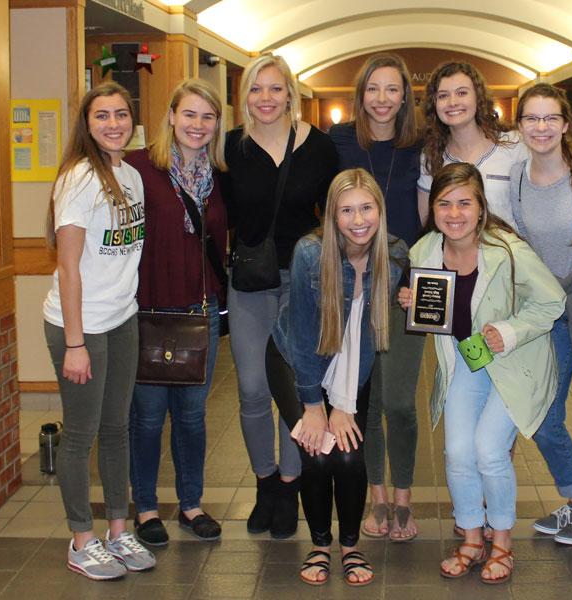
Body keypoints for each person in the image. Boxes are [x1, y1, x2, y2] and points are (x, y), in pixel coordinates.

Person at [400, 162, 565, 584]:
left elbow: (552, 302)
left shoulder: (508, 249)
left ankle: (502, 543)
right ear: (432, 207)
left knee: (489, 449)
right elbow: (438, 312)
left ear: (480, 207)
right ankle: (472, 538)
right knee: (457, 451)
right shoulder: (424, 252)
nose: (454, 213)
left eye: (464, 203)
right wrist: (412, 300)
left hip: (515, 363)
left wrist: (509, 331)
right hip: (465, 359)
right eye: (444, 203)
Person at [266, 168, 409, 586]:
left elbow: (368, 335)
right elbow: (304, 338)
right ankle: (319, 544)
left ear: (380, 211)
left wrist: (345, 406)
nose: (358, 219)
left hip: (351, 361)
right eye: (346, 210)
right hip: (294, 358)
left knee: (349, 455)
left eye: (367, 208)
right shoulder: (311, 253)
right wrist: (314, 407)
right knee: (318, 450)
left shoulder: (394, 254)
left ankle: (350, 546)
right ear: (331, 214)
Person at [221, 52, 338, 539]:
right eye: (255, 89)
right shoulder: (229, 148)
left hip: (302, 283)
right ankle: (265, 483)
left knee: (293, 394)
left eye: (274, 88)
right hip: (249, 283)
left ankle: (290, 486)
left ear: (291, 92)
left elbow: (338, 214)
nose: (265, 98)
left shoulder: (319, 148)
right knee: (251, 390)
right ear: (244, 97)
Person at [42, 81, 155, 580]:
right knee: (81, 434)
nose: (114, 124)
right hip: (80, 325)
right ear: (86, 125)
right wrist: (74, 343)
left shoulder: (131, 176)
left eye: (121, 115)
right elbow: (69, 268)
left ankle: (117, 529)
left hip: (121, 319)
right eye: (102, 116)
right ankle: (81, 538)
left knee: (117, 429)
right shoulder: (79, 179)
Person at [124, 79, 227, 545]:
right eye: (190, 114)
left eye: (208, 117)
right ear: (171, 116)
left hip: (199, 311)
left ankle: (190, 504)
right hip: (148, 312)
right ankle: (146, 508)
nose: (198, 125)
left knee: (191, 416)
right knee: (146, 417)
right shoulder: (138, 168)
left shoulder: (219, 175)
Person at [509, 83, 572, 545]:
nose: (542, 127)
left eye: (551, 118)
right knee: (543, 413)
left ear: (567, 123)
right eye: (532, 118)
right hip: (549, 311)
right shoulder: (516, 175)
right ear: (520, 125)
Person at [328, 52, 423, 541]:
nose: (382, 99)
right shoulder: (338, 141)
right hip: (353, 287)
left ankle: (405, 499)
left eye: (392, 89)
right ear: (360, 94)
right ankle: (378, 498)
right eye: (373, 89)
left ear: (405, 95)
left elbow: (435, 215)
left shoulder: (420, 146)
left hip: (405, 290)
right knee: (367, 401)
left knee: (402, 403)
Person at [417, 61, 527, 228]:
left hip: (507, 251)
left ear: (478, 97)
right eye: (443, 95)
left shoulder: (514, 145)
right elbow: (428, 221)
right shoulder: (431, 155)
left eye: (462, 93)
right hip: (453, 252)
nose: (452, 102)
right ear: (434, 104)